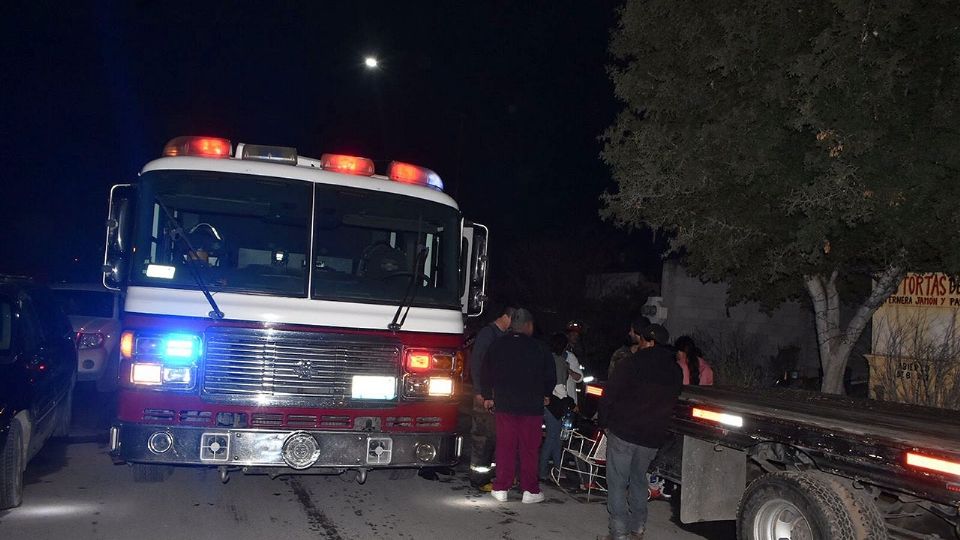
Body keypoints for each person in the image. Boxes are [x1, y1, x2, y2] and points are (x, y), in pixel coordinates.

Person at [598, 324, 682, 540]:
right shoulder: (675, 370)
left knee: (617, 482)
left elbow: (610, 394)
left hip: (624, 432)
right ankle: (638, 528)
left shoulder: (631, 363)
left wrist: (604, 422)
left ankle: (618, 532)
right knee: (638, 480)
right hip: (652, 436)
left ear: (647, 341)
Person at [482, 308, 556, 504]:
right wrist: (546, 394)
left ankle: (501, 488)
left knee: (505, 446)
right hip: (531, 407)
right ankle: (529, 490)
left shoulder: (497, 345)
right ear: (528, 325)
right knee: (529, 448)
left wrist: (488, 396)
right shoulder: (540, 348)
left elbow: (486, 372)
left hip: (505, 404)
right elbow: (550, 376)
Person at [468, 306, 515, 489]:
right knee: (482, 437)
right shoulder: (488, 334)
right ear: (507, 316)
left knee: (495, 438)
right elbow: (477, 363)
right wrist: (480, 392)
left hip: (497, 395)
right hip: (485, 395)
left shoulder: (502, 336)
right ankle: (479, 479)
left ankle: (492, 476)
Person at [540, 333, 574, 480]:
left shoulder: (546, 358)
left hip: (546, 401)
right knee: (553, 438)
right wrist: (568, 401)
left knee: (554, 438)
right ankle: (543, 471)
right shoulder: (560, 362)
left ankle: (556, 470)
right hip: (555, 402)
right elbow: (560, 386)